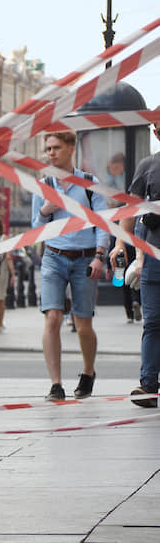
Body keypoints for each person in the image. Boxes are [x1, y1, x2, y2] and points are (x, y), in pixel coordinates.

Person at [31, 131, 108, 401]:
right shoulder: (43, 186)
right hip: (53, 256)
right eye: (48, 148)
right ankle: (56, 384)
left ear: (71, 147)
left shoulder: (89, 184)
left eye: (56, 147)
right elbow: (35, 229)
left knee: (82, 322)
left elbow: (102, 224)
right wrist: (44, 210)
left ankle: (88, 372)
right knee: (52, 318)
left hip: (85, 258)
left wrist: (100, 255)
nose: (51, 153)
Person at [110, 112, 160, 407]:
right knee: (153, 321)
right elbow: (130, 211)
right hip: (154, 257)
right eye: (158, 127)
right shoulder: (148, 166)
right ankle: (148, 385)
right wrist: (119, 243)